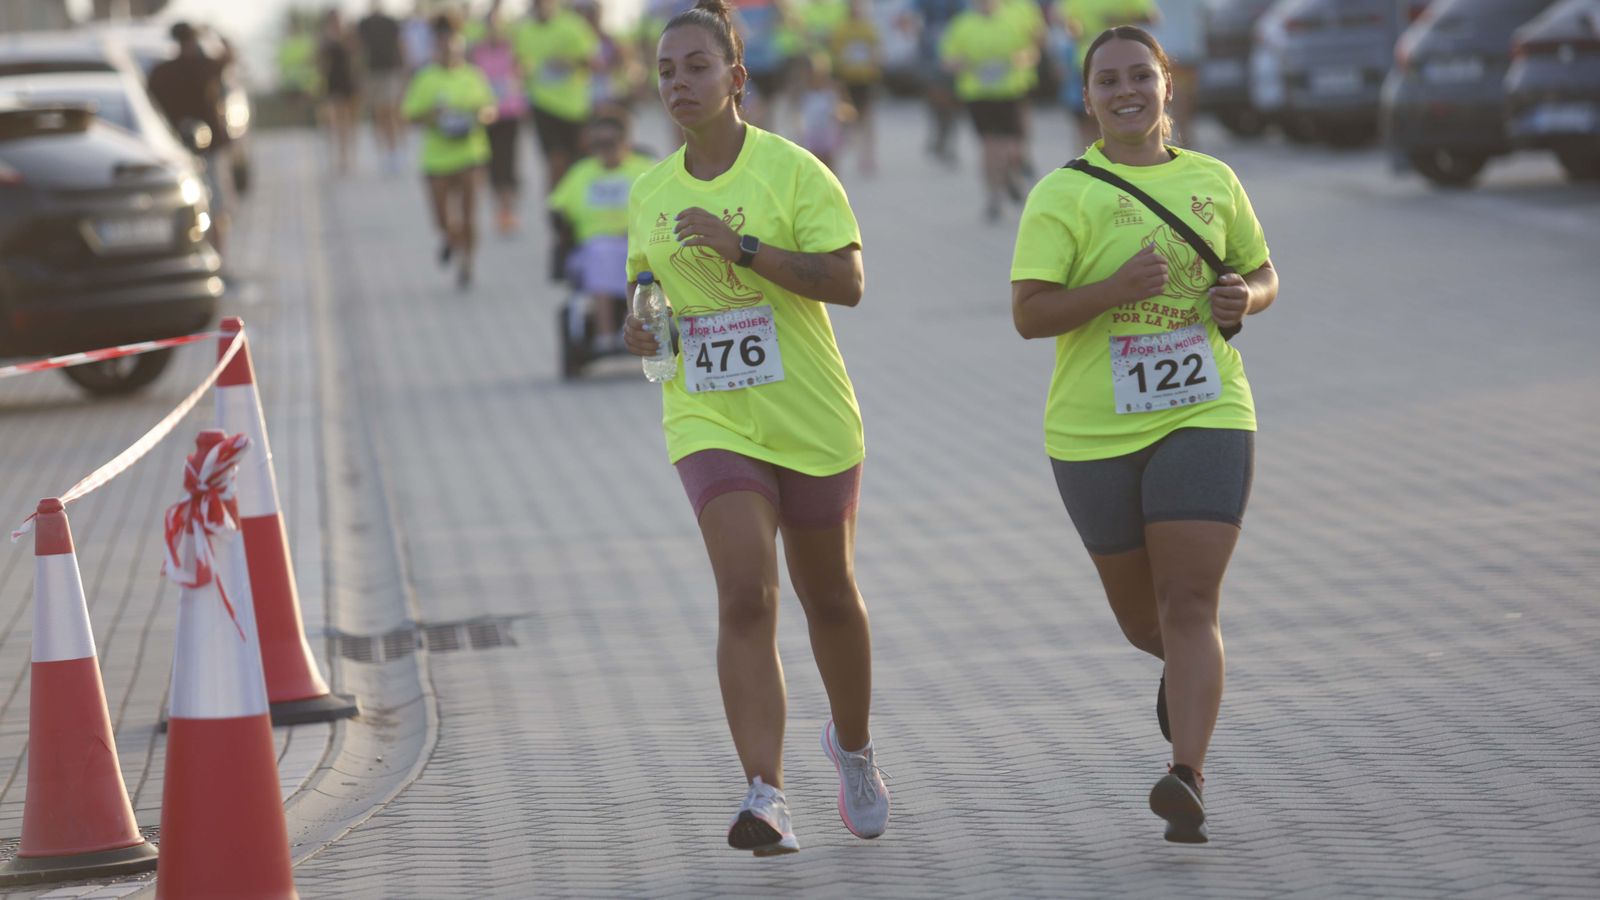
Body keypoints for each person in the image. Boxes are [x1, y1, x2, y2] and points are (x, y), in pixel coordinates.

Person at [622, 0, 888, 857]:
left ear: (736, 78)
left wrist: (742, 249)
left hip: (809, 415)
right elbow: (647, 300)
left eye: (697, 66)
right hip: (709, 416)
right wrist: (641, 332)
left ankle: (853, 748)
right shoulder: (649, 192)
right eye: (666, 71)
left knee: (830, 598)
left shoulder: (795, 172)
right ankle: (766, 793)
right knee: (745, 593)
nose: (679, 83)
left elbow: (848, 282)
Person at [1009, 26, 1278, 844]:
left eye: (1140, 76)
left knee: (1189, 599)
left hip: (1206, 411)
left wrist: (1246, 298)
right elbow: (1029, 315)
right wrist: (1114, 289)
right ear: (1087, 97)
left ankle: (1185, 775)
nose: (1126, 91)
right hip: (1093, 431)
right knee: (1141, 620)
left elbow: (1262, 271)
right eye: (1108, 81)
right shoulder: (1061, 195)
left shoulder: (1213, 179)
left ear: (1167, 84)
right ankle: (1188, 675)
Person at [402, 14, 496, 289]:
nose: (449, 48)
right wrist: (433, 115)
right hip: (437, 159)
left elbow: (490, 108)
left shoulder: (473, 75)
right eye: (443, 42)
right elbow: (410, 116)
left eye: (453, 42)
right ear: (436, 45)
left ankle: (467, 263)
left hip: (470, 153)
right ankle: (452, 239)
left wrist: (479, 114)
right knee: (441, 218)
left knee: (469, 215)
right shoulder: (425, 78)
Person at [548, 113, 655, 349]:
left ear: (625, 141)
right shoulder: (581, 172)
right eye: (598, 144)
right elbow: (557, 207)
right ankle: (605, 333)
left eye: (610, 142)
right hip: (591, 247)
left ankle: (637, 325)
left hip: (637, 243)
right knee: (602, 252)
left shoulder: (645, 171)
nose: (604, 149)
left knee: (632, 257)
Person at [941, 0, 1037, 221]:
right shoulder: (962, 24)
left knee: (1013, 149)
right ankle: (994, 197)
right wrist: (959, 64)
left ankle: (1010, 176)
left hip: (1009, 93)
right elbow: (947, 60)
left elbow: (1032, 51)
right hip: (978, 96)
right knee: (989, 148)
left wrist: (1020, 59)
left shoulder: (1013, 20)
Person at [148, 21, 236, 256]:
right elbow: (229, 55)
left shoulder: (161, 72)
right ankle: (217, 256)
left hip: (176, 147)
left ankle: (203, 253)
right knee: (215, 203)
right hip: (207, 147)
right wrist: (212, 34)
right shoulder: (203, 66)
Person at [515, 0, 600, 191]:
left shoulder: (573, 25)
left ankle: (575, 201)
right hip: (543, 105)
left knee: (578, 162)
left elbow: (592, 62)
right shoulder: (524, 31)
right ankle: (555, 204)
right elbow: (518, 64)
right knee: (555, 160)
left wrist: (568, 63)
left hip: (575, 107)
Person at [1057, 0, 1156, 142]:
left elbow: (1151, 17)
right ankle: (1088, 152)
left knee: (1123, 117)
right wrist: (1072, 28)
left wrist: (1118, 20)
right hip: (1085, 64)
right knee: (1085, 119)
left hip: (1128, 62)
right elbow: (1065, 22)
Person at [469, 11, 528, 234]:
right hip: (487, 115)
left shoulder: (512, 49)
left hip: (510, 113)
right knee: (492, 164)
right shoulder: (477, 52)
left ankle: (508, 209)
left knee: (508, 162)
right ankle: (500, 210)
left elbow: (522, 75)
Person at [911, 0, 967, 164]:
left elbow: (968, 16)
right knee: (935, 99)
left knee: (953, 102)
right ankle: (939, 133)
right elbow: (911, 12)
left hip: (955, 55)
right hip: (931, 56)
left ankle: (948, 140)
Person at [829, 0, 880, 174]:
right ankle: (839, 154)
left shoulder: (868, 29)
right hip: (847, 80)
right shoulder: (841, 30)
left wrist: (875, 68)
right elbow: (835, 55)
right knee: (846, 119)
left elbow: (876, 52)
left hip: (865, 79)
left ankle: (867, 157)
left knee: (867, 118)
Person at [357, 0, 406, 172]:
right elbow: (359, 49)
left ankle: (393, 150)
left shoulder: (391, 22)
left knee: (390, 110)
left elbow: (400, 45)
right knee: (379, 114)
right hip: (372, 73)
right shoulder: (363, 24)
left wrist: (404, 69)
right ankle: (384, 151)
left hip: (389, 71)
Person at [317, 10, 361, 174]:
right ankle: (339, 155)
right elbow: (320, 62)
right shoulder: (324, 39)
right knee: (335, 120)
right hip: (333, 84)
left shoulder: (347, 36)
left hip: (347, 83)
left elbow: (355, 56)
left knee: (349, 121)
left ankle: (347, 154)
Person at [797, 52, 851, 170]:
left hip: (828, 132)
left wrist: (841, 116)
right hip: (812, 132)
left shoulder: (833, 88)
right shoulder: (803, 90)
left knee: (829, 163)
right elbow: (797, 112)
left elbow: (845, 108)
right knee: (814, 163)